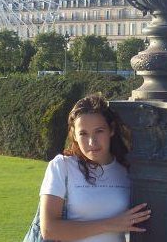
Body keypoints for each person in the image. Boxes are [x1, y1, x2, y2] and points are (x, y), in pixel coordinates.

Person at [39, 95, 151, 242]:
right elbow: (49, 230)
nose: (92, 142)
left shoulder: (127, 170)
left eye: (99, 131)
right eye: (83, 134)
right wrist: (111, 224)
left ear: (111, 130)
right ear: (74, 136)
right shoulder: (62, 166)